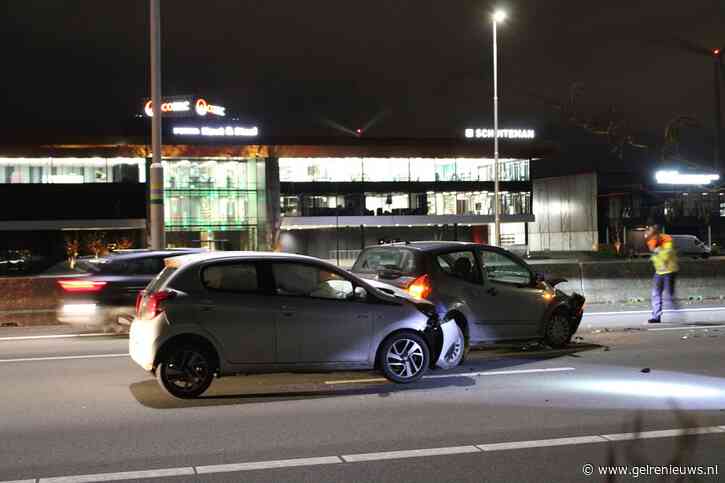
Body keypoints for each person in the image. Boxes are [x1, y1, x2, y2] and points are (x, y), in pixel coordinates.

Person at [645, 225, 679, 323]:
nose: (647, 233)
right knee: (655, 294)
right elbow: (654, 255)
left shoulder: (667, 239)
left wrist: (658, 251)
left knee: (669, 294)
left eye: (649, 231)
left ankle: (674, 307)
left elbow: (667, 254)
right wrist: (654, 255)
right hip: (659, 272)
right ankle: (656, 316)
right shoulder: (651, 241)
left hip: (669, 271)